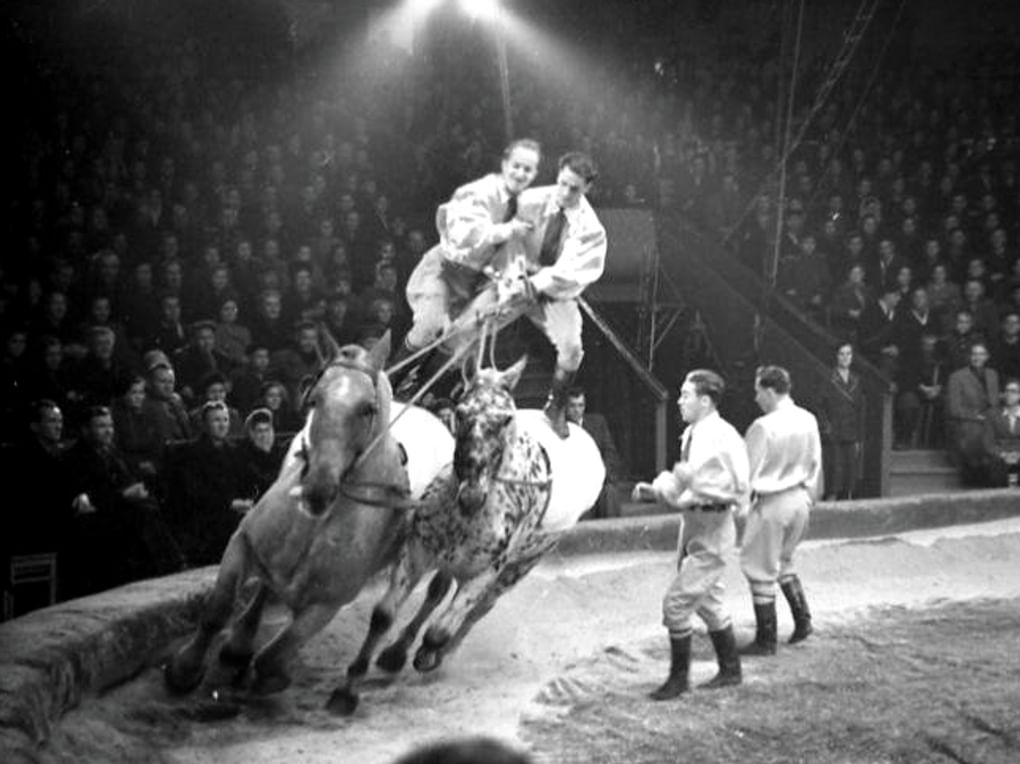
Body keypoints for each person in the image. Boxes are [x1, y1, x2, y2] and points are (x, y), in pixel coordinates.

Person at [630, 369, 748, 699]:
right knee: (708, 602)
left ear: (706, 400)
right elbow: (685, 483)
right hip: (693, 523)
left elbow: (738, 490)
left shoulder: (725, 437)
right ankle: (730, 669)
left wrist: (689, 489)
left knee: (677, 604)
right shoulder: (692, 433)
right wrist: (657, 490)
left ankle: (678, 679)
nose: (680, 400)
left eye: (686, 394)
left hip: (713, 526)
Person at [393, 138, 542, 384]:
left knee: (461, 337)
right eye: (516, 165)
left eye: (528, 169)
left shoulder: (529, 206)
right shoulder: (480, 191)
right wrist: (509, 231)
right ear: (505, 164)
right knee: (428, 326)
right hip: (446, 269)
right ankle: (391, 380)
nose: (520, 173)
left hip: (481, 281)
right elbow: (466, 236)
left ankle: (422, 388)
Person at [490, 150, 609, 437]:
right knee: (475, 321)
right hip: (517, 279)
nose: (566, 192)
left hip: (555, 293)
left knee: (572, 348)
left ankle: (555, 407)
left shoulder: (591, 229)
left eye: (575, 189)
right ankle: (422, 380)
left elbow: (569, 271)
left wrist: (535, 285)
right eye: (563, 183)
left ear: (587, 189)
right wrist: (514, 277)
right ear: (557, 175)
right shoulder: (531, 200)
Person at [739, 365, 822, 656]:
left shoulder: (763, 426)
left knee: (759, 567)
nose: (756, 397)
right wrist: (810, 498)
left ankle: (766, 639)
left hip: (772, 503)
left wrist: (738, 506)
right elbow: (816, 464)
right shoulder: (808, 419)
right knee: (784, 560)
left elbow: (745, 474)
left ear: (771, 390)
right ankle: (803, 620)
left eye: (758, 391)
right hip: (800, 500)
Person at [565, 386, 626, 518]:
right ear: (566, 407)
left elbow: (610, 454)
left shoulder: (598, 423)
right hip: (575, 483)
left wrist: (600, 476)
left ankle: (614, 533)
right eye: (573, 406)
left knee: (609, 493)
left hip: (598, 479)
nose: (577, 410)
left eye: (580, 406)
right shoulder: (561, 428)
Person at [946, 341, 1000, 485]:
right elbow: (954, 409)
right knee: (976, 435)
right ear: (969, 357)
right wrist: (977, 416)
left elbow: (994, 404)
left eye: (981, 354)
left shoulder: (992, 375)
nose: (977, 357)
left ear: (987, 357)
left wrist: (990, 418)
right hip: (967, 422)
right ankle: (975, 479)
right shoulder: (957, 377)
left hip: (989, 421)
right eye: (974, 354)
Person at [819, 343, 864, 501]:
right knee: (834, 477)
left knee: (850, 475)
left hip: (851, 432)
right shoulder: (828, 377)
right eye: (841, 354)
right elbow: (820, 405)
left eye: (848, 354)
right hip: (834, 433)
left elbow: (860, 410)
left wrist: (859, 437)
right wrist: (827, 427)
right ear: (836, 356)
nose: (845, 358)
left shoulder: (856, 380)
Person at [237, 407, 285, 501]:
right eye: (260, 431)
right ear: (252, 433)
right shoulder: (243, 454)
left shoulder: (280, 451)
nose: (264, 436)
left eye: (267, 430)